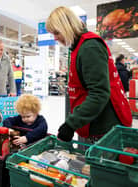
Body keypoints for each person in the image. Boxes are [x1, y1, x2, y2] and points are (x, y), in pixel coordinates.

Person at [46, 6, 132, 142]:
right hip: (96, 121)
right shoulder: (78, 47)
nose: (55, 38)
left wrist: (71, 124)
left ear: (67, 26)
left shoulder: (89, 47)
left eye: (57, 32)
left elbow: (99, 92)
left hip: (105, 126)